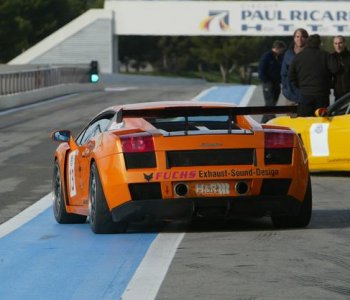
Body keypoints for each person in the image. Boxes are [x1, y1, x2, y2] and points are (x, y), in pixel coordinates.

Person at [288, 34, 337, 117]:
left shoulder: (298, 57)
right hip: (322, 93)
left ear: (307, 43)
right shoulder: (326, 55)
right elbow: (335, 69)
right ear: (319, 44)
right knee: (322, 120)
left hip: (305, 94)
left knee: (304, 120)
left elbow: (291, 76)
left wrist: (300, 86)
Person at [258, 40, 286, 123]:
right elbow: (261, 70)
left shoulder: (279, 57)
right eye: (282, 50)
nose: (282, 52)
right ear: (278, 48)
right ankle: (273, 122)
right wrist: (266, 82)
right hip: (268, 84)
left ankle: (263, 123)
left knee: (272, 104)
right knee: (270, 104)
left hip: (276, 83)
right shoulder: (267, 56)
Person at [281, 28, 309, 105]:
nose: (300, 39)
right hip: (291, 95)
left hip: (306, 95)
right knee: (290, 116)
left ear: (307, 39)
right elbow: (284, 73)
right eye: (297, 36)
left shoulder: (311, 54)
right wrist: (285, 89)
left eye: (302, 36)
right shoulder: (288, 53)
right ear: (294, 38)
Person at [332, 35, 350, 100]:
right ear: (333, 44)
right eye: (336, 43)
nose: (338, 46)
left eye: (340, 43)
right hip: (337, 94)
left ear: (344, 43)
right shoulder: (331, 57)